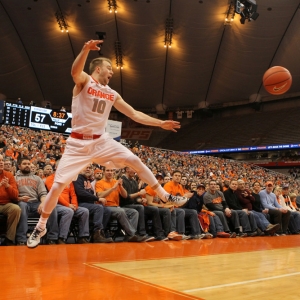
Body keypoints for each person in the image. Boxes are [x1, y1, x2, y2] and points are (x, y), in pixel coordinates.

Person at [27, 39, 188, 248]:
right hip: (77, 145)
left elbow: (134, 114)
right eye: (109, 69)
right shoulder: (84, 82)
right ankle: (40, 227)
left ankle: (165, 195)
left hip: (101, 140)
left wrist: (160, 123)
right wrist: (85, 49)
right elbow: (75, 72)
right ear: (98, 69)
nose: (112, 72)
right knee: (57, 186)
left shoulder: (112, 93)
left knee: (134, 159)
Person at [95, 167, 148, 242]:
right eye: (107, 170)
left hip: (116, 206)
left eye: (111, 170)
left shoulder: (116, 181)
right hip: (106, 207)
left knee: (134, 212)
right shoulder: (99, 183)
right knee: (121, 212)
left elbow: (125, 196)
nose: (110, 172)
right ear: (104, 172)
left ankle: (128, 235)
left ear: (113, 172)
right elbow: (99, 195)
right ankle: (132, 234)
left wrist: (121, 186)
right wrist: (113, 188)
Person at [15, 158, 59, 245]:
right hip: (23, 202)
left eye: (28, 163)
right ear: (19, 166)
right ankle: (21, 239)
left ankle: (52, 237)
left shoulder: (37, 178)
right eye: (24, 164)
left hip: (35, 203)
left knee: (51, 208)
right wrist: (20, 198)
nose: (27, 165)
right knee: (22, 206)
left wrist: (43, 203)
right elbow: (12, 195)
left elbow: (43, 193)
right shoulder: (14, 178)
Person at [120, 166, 166, 241]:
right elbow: (125, 197)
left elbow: (136, 198)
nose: (135, 171)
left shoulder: (134, 182)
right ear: (127, 169)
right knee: (140, 207)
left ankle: (159, 234)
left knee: (154, 209)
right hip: (124, 205)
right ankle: (142, 233)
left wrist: (141, 200)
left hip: (134, 204)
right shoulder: (122, 181)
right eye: (133, 168)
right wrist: (138, 194)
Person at [45, 171, 90, 244]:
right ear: (57, 168)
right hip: (55, 204)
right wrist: (68, 205)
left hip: (69, 205)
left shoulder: (68, 180)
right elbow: (55, 194)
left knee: (84, 211)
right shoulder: (50, 179)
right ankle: (62, 238)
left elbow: (73, 194)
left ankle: (82, 237)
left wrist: (74, 205)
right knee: (68, 211)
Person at [73, 165, 113, 243]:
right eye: (86, 167)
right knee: (99, 208)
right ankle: (96, 234)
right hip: (80, 203)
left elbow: (90, 194)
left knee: (107, 210)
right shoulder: (77, 178)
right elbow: (80, 192)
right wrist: (97, 199)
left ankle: (99, 233)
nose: (88, 169)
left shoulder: (87, 180)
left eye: (90, 168)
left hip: (89, 204)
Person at [0, 155, 21, 245]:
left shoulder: (9, 175)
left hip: (5, 204)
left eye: (2, 160)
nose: (1, 162)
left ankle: (9, 239)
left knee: (16, 209)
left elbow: (15, 195)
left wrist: (8, 186)